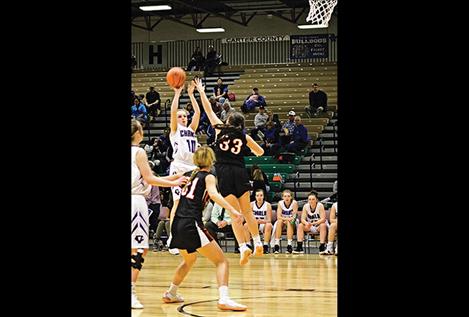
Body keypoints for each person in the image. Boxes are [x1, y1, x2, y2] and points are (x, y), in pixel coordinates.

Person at [164, 146, 247, 311]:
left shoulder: (189, 174)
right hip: (191, 223)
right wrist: (233, 210)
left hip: (177, 223)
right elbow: (214, 195)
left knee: (189, 259)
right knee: (221, 261)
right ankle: (224, 299)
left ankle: (171, 293)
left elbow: (166, 179)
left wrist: (146, 178)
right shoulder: (208, 176)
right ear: (211, 160)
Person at [194, 77, 265, 265]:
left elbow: (208, 110)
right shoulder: (244, 135)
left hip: (224, 172)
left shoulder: (219, 129)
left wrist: (201, 92)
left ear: (228, 120)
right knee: (247, 212)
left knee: (234, 214)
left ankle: (243, 248)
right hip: (240, 171)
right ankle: (257, 242)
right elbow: (261, 152)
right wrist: (249, 148)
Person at [131, 119, 187, 309]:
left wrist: (174, 178)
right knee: (138, 248)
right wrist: (174, 183)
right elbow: (149, 178)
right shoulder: (138, 152)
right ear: (137, 133)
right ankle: (130, 291)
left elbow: (150, 178)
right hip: (135, 202)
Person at [168, 79, 202, 253]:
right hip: (179, 168)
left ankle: (188, 237)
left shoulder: (191, 130)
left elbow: (197, 111)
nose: (183, 118)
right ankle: (172, 238)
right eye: (181, 116)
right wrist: (177, 93)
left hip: (192, 169)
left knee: (189, 204)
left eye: (184, 116)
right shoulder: (175, 130)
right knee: (176, 203)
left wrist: (191, 94)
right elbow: (173, 111)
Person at [244, 189, 273, 254]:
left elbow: (269, 220)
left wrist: (261, 221)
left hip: (264, 224)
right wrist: (255, 221)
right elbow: (248, 218)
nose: (259, 197)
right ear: (255, 197)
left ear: (263, 196)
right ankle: (249, 245)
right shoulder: (251, 204)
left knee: (269, 225)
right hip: (254, 224)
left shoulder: (268, 205)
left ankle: (265, 246)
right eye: (257, 195)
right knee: (245, 225)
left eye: (261, 195)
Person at [272, 189, 298, 254]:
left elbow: (294, 216)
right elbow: (278, 216)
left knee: (289, 222)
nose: (287, 198)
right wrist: (286, 219)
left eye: (288, 196)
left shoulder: (294, 203)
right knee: (279, 221)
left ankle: (289, 245)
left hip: (293, 221)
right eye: (285, 196)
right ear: (282, 197)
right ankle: (276, 245)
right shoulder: (280, 203)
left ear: (291, 197)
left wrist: (288, 220)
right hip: (283, 220)